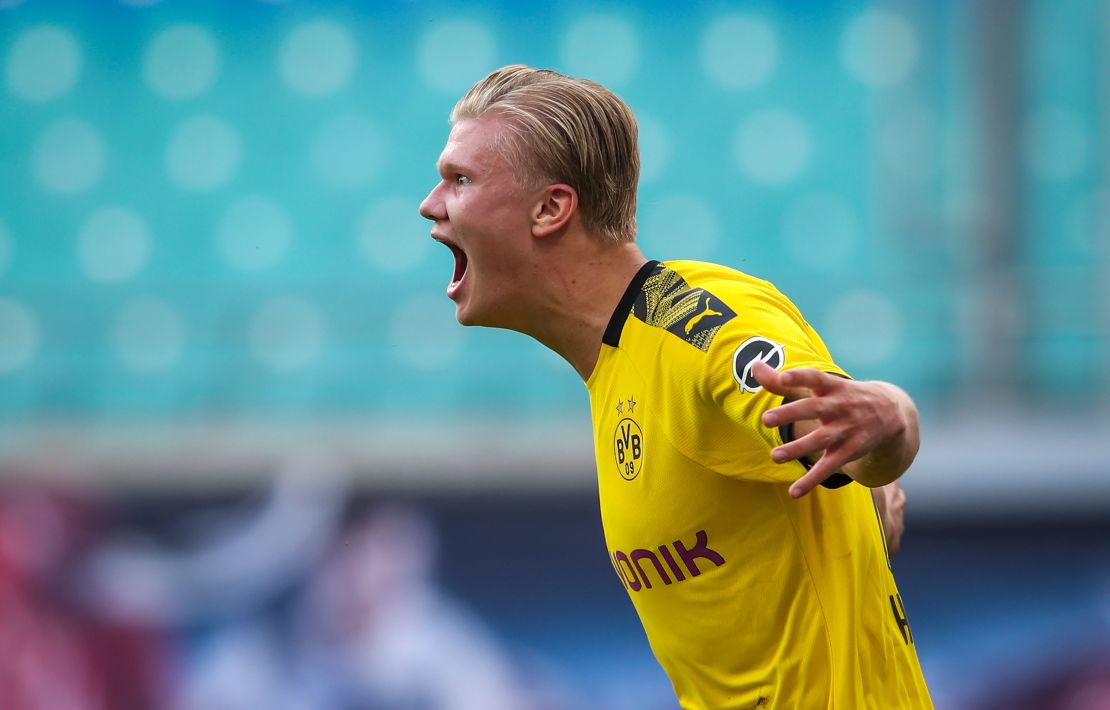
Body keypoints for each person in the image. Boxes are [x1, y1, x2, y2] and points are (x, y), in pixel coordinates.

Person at [419, 64, 932, 709]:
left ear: (550, 209)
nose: (429, 204)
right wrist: (865, 502)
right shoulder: (617, 361)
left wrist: (889, 424)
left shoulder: (693, 324)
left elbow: (834, 421)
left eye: (459, 179)